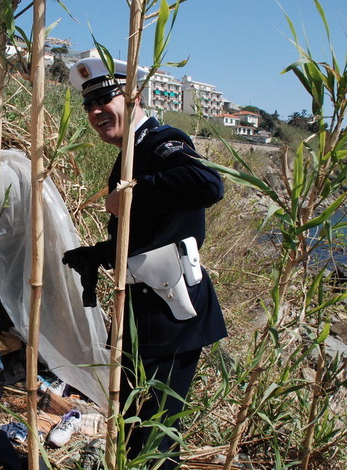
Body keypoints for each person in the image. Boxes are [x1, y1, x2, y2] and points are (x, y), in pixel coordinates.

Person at [62, 57, 228, 469]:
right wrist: (99, 253)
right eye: (89, 104)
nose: (96, 111)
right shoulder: (132, 152)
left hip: (172, 312)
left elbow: (207, 183)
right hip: (143, 310)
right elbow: (149, 235)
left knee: (154, 438)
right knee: (134, 427)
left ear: (133, 96)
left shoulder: (160, 140)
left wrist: (135, 190)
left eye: (105, 98)